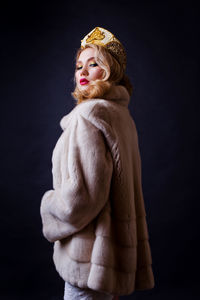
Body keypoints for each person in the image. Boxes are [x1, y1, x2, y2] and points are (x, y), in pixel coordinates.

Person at [40, 26, 155, 300]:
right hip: (112, 255)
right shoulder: (122, 117)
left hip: (89, 257)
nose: (82, 71)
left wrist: (50, 209)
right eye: (79, 65)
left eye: (93, 64)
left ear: (109, 70)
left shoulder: (87, 117)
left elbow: (83, 196)